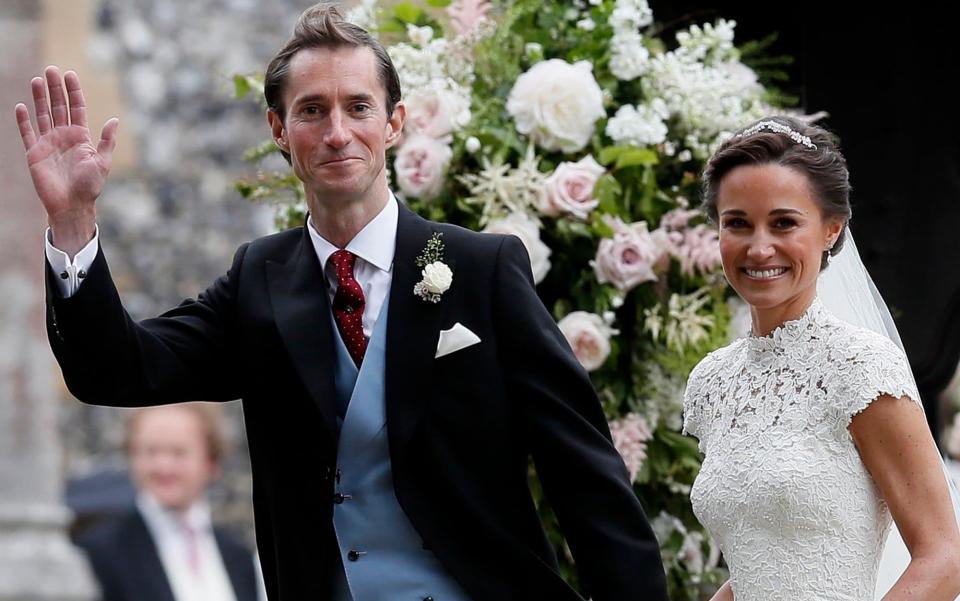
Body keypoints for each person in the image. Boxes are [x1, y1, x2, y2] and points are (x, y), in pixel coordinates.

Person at [14, 3, 667, 600]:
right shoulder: (258, 280)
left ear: (394, 123)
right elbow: (114, 370)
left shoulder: (482, 270)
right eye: (312, 110)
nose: (337, 132)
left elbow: (585, 475)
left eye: (357, 107)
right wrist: (72, 220)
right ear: (278, 128)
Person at [682, 115, 960, 600]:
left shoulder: (860, 368)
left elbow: (945, 556)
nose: (759, 247)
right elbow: (758, 566)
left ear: (832, 229)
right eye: (738, 223)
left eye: (784, 222)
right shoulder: (711, 382)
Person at [75, 403, 263, 601]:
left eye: (178, 452)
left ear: (211, 462)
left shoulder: (239, 558)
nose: (163, 466)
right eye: (151, 451)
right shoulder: (101, 552)